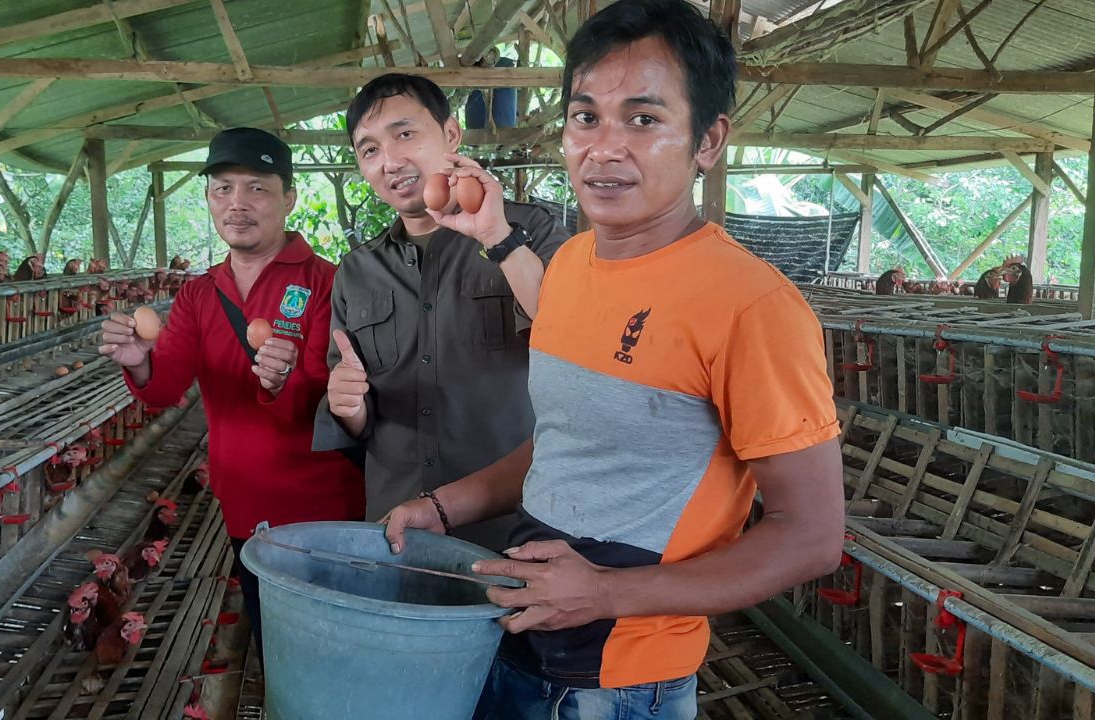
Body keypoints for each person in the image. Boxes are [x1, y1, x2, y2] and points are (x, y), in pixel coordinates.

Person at [382, 2, 845, 718]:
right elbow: (567, 442)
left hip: (622, 682)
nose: (604, 148)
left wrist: (604, 592)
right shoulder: (570, 266)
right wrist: (447, 505)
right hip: (519, 637)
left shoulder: (751, 305)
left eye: (644, 119)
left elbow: (811, 536)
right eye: (585, 117)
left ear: (708, 140)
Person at [99, 127, 364, 654]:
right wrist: (140, 361)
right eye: (223, 188)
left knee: (335, 644)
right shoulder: (199, 294)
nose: (237, 203)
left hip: (324, 506)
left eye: (257, 188)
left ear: (289, 198)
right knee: (274, 642)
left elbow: (335, 400)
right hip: (243, 504)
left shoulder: (328, 282)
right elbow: (165, 389)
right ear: (209, 198)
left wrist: (286, 380)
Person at [312, 73, 571, 550]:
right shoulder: (357, 271)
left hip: (514, 529)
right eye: (369, 149)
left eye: (405, 133)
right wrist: (349, 406)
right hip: (398, 530)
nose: (390, 160)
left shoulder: (529, 231)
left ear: (451, 134)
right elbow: (358, 417)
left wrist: (498, 238)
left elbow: (574, 339)